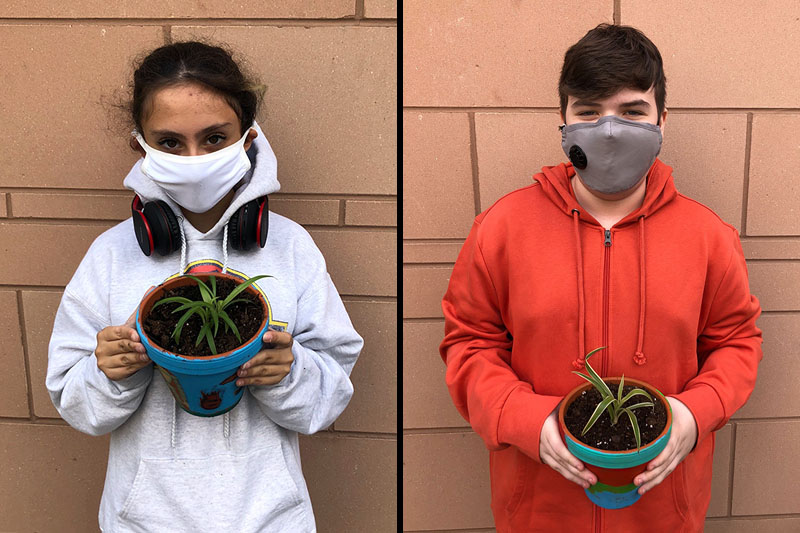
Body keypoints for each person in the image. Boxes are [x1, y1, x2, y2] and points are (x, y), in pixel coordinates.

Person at [440, 24, 762, 532]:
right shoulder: (499, 230)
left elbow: (737, 343)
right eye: (589, 111)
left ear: (662, 119)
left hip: (661, 510)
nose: (609, 129)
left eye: (632, 111)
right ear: (563, 120)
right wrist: (522, 418)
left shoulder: (709, 237)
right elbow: (470, 344)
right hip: (539, 509)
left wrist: (695, 414)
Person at [46, 41, 363, 532]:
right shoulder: (111, 255)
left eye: (215, 138)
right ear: (141, 145)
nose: (194, 157)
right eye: (170, 142)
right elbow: (76, 403)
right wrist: (110, 372)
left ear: (248, 136)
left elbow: (331, 390)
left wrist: (290, 370)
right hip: (143, 523)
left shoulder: (290, 248)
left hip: (270, 521)